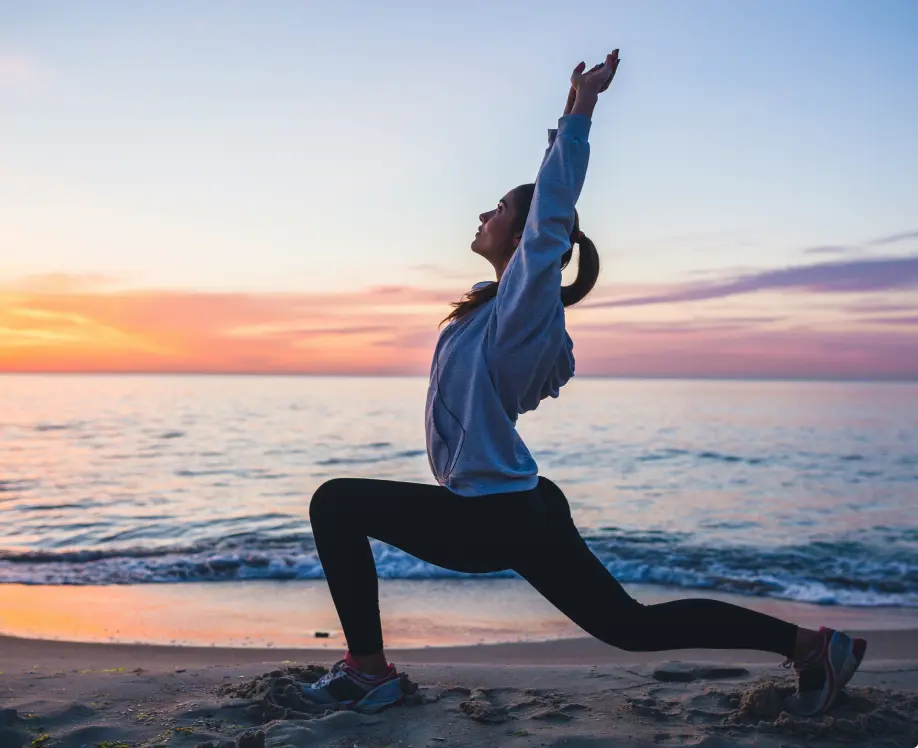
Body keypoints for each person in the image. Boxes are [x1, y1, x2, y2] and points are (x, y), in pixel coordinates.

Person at [302, 51, 866, 717]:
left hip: (494, 514)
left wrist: (580, 108)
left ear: (529, 235)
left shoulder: (522, 308)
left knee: (335, 503)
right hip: (519, 503)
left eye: (501, 209)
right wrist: (551, 155)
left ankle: (369, 674)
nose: (485, 213)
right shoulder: (493, 306)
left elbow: (550, 216)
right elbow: (545, 220)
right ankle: (812, 646)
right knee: (630, 627)